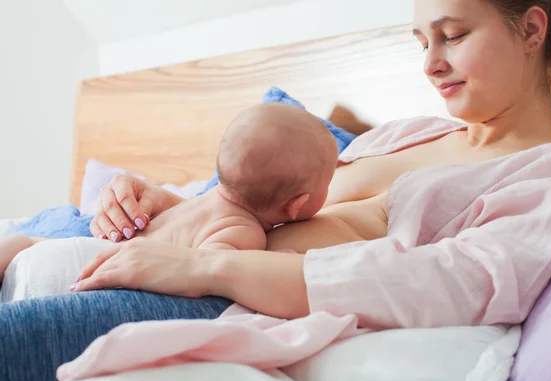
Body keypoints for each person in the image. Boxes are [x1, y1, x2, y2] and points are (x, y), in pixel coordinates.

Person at [2, 0, 551, 381]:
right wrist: (154, 201)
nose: (430, 64)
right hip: (169, 258)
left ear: (530, 29)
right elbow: (258, 200)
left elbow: (458, 282)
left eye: (453, 36)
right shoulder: (406, 132)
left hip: (223, 301)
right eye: (422, 42)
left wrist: (205, 265)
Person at [0, 103, 338, 293]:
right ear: (297, 203)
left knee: (18, 242)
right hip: (82, 275)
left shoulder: (192, 203)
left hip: (49, 251)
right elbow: (217, 273)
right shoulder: (241, 230)